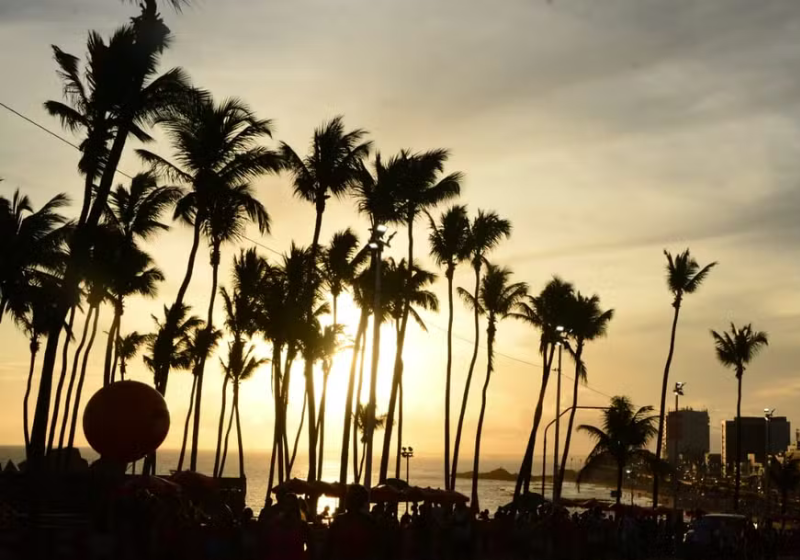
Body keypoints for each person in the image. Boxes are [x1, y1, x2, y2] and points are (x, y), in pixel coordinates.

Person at [324, 485, 376, 560]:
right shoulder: (369, 522)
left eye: (348, 497)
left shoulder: (339, 521)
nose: (345, 499)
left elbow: (327, 548)